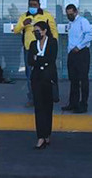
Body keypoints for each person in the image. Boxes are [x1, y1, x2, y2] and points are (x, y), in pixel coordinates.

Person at [12, 0, 58, 107]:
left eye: (35, 5)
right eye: (30, 5)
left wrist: (53, 45)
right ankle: (33, 98)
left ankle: (48, 97)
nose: (32, 7)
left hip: (44, 49)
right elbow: (16, 30)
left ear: (39, 5)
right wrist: (23, 24)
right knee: (30, 75)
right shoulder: (24, 16)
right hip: (29, 49)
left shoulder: (47, 15)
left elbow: (53, 31)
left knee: (47, 74)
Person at [27, 21, 58, 150]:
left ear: (44, 31)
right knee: (39, 107)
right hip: (36, 78)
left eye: (38, 31)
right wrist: (41, 60)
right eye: (34, 31)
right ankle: (40, 136)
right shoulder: (33, 44)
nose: (36, 33)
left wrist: (38, 59)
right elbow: (30, 60)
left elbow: (51, 58)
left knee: (48, 107)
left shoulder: (52, 42)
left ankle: (47, 134)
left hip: (48, 77)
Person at [62, 4, 92, 113]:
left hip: (82, 53)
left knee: (83, 79)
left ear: (76, 12)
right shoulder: (70, 23)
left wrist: (79, 47)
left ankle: (83, 104)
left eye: (71, 14)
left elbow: (89, 35)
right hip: (72, 53)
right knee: (73, 79)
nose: (69, 16)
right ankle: (73, 103)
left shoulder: (82, 21)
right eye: (67, 14)